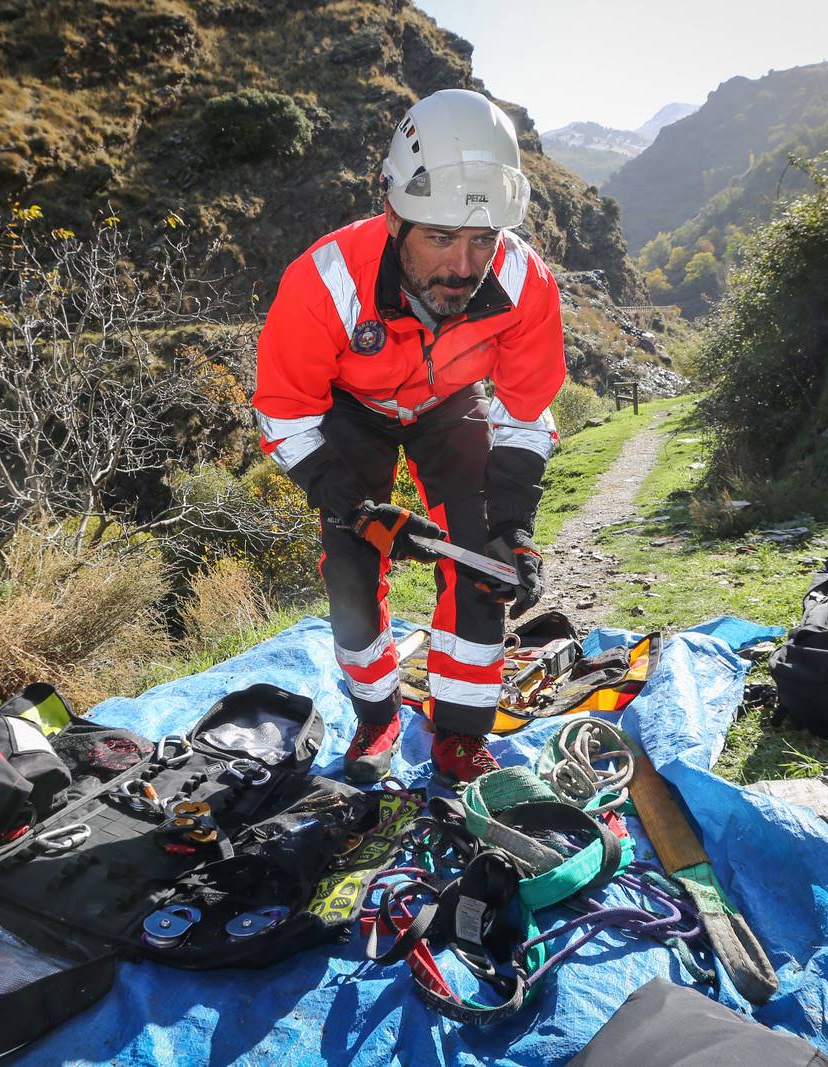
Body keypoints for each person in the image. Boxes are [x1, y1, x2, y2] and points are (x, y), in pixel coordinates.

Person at [252, 88, 566, 786]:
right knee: (352, 573)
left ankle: (458, 734)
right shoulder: (323, 283)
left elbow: (525, 407)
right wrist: (354, 508)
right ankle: (377, 714)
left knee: (485, 562)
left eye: (482, 239)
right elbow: (284, 413)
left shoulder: (524, 282)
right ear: (393, 215)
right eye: (441, 237)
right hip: (350, 410)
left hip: (451, 403)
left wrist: (514, 523)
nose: (462, 266)